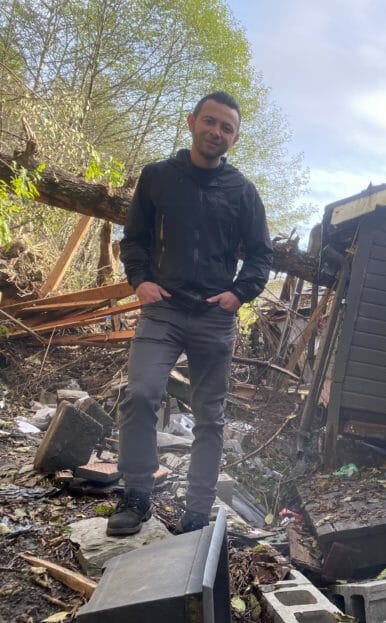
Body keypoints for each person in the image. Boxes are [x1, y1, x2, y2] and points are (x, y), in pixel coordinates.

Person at [108, 91, 274, 536]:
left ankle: (197, 511)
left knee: (210, 416)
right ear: (191, 121)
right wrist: (140, 280)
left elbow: (261, 255)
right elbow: (134, 237)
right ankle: (137, 494)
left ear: (234, 139)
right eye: (210, 121)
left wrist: (239, 295)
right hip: (162, 309)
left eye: (227, 128)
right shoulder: (159, 177)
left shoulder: (242, 192)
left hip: (214, 317)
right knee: (141, 394)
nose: (216, 132)